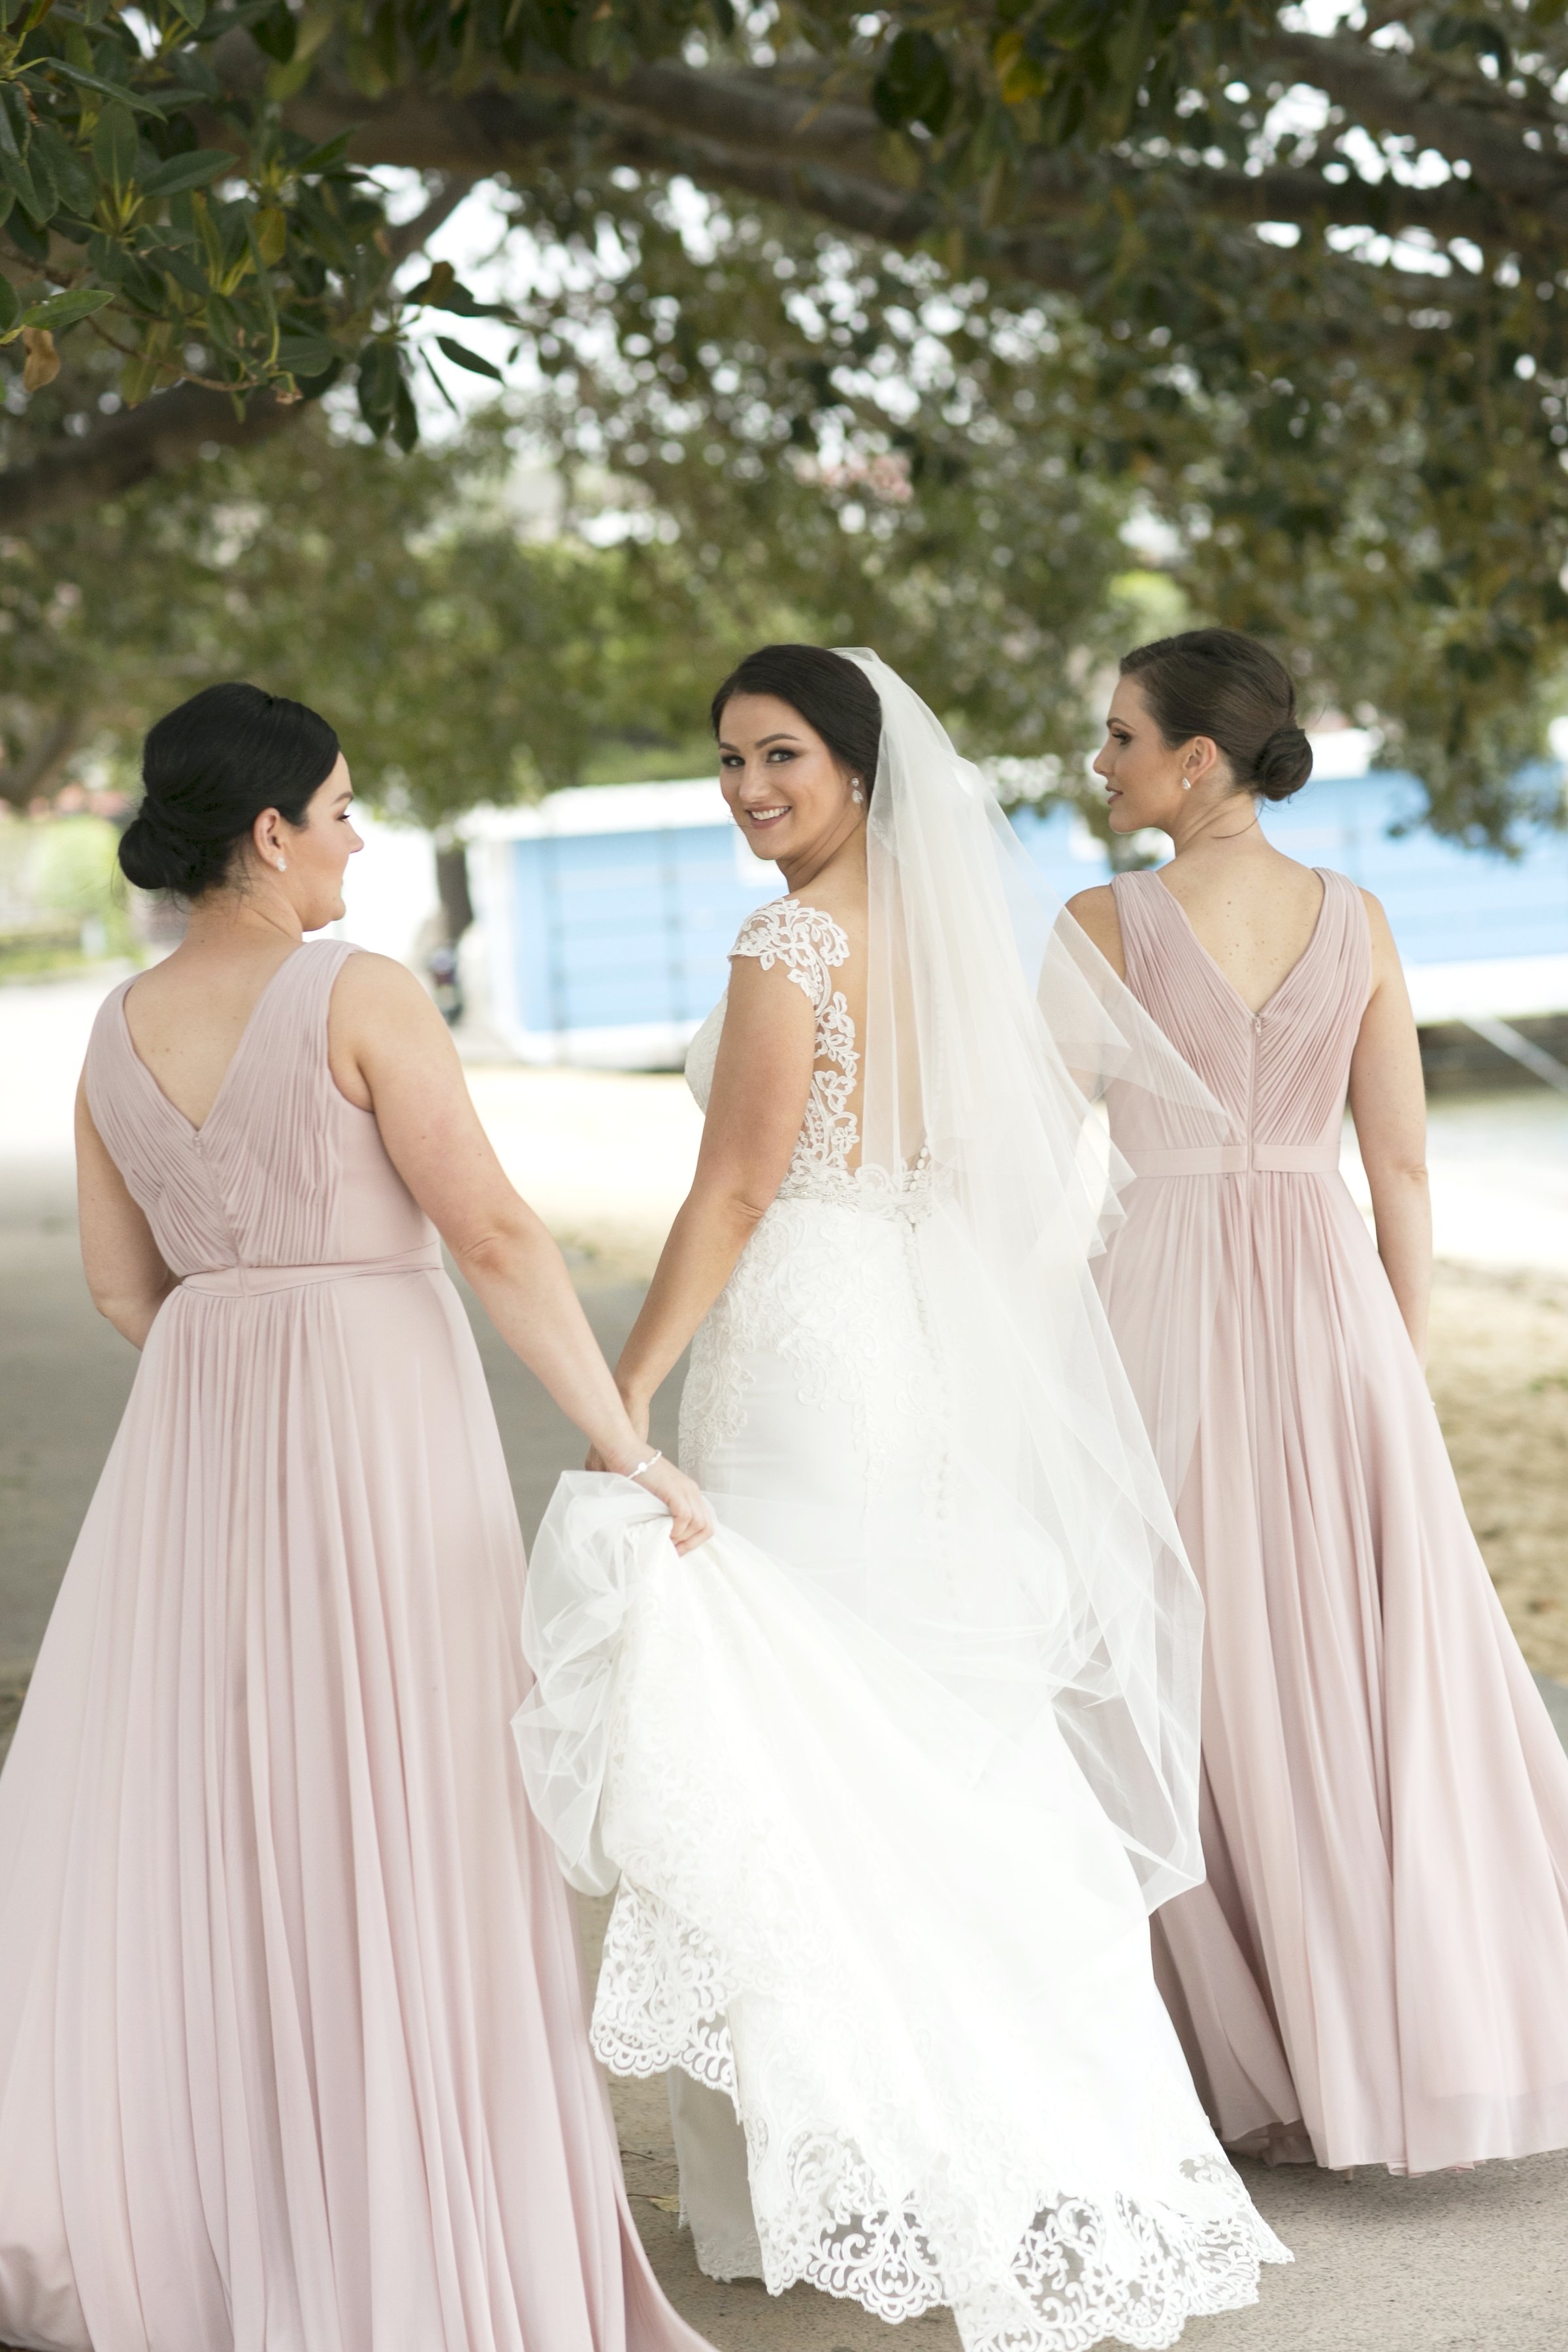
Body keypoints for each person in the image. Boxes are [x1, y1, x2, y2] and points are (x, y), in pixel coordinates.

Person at [514, 646, 1288, 2352]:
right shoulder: (955, 945)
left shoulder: (787, 944)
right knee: (931, 1738)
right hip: (914, 1360)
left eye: (778, 754)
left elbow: (733, 1186)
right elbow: (1006, 1176)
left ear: (862, 766)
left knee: (796, 1746)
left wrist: (623, 1388)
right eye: (725, 760)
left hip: (810, 1361)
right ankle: (995, 2148)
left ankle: (841, 2172)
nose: (747, 791)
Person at [0, 683, 713, 2352]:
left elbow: (126, 1289)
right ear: (268, 834)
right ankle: (405, 2214)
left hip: (199, 1444)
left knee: (221, 1809)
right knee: (406, 1794)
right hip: (379, 1433)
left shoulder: (114, 1024)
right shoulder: (358, 992)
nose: (358, 834)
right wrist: (626, 1445)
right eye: (338, 810)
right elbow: (497, 1236)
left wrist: (245, 1347)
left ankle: (219, 2204)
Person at [1069, 626, 1568, 2175]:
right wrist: (1391, 1367)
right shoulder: (1356, 918)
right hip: (1334, 1303)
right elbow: (1402, 1164)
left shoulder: (1100, 925)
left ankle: (1230, 2053)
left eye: (1121, 737)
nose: (1101, 763)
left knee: (1184, 1654)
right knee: (1357, 1661)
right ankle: (1388, 2045)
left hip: (1163, 1300)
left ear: (1197, 759)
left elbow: (1023, 1173)